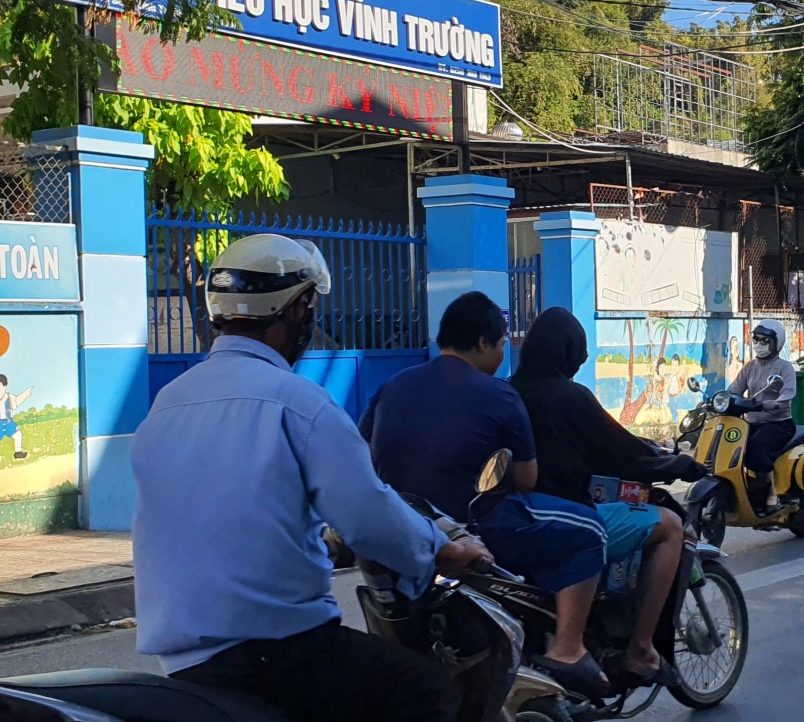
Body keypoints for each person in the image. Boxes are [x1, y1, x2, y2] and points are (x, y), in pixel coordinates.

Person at [131, 234, 492, 722]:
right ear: (299, 309)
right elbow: (368, 516)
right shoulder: (299, 403)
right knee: (427, 690)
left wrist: (315, 544)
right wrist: (444, 550)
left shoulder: (167, 404)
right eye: (310, 306)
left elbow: (221, 509)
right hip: (277, 646)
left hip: (186, 662)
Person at [360, 292, 613, 699]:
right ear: (482, 343)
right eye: (499, 344)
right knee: (590, 530)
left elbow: (367, 453)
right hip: (475, 527)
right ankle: (568, 648)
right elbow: (527, 479)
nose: (502, 353)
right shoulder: (499, 394)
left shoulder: (393, 385)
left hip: (404, 525)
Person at [510, 307, 704, 688]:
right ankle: (641, 648)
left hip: (514, 520)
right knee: (670, 527)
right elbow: (623, 453)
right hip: (568, 519)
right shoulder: (571, 397)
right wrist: (677, 465)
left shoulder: (508, 393)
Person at [728, 319, 797, 513]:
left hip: (778, 423)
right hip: (752, 422)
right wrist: (720, 399)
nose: (759, 344)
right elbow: (734, 389)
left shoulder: (784, 368)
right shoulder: (750, 367)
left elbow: (788, 393)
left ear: (776, 344)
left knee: (757, 447)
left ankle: (772, 494)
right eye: (756, 339)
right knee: (731, 445)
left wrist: (771, 403)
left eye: (764, 340)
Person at [0, 375, 34, 460]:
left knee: (17, 435)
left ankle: (18, 452)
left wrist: (26, 394)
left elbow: (17, 401)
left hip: (8, 423)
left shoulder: (9, 397)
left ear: (5, 387)